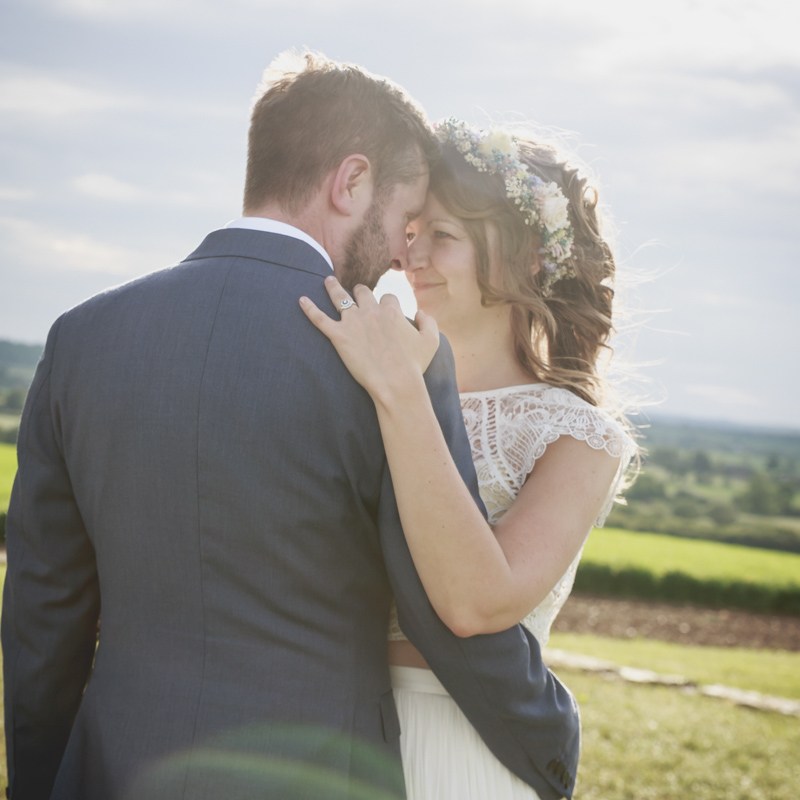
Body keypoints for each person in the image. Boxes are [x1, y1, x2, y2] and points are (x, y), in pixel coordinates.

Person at [1, 54, 579, 800]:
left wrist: (42, 783)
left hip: (112, 768)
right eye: (405, 219)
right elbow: (442, 616)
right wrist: (549, 735)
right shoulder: (393, 358)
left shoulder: (82, 337)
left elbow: (43, 614)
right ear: (351, 181)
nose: (402, 254)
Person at [301, 118, 638, 799]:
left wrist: (401, 390)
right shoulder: (358, 382)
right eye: (412, 231)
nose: (410, 257)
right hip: (322, 731)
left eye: (444, 236)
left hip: (458, 749)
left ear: (531, 256)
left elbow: (474, 604)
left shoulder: (578, 437)